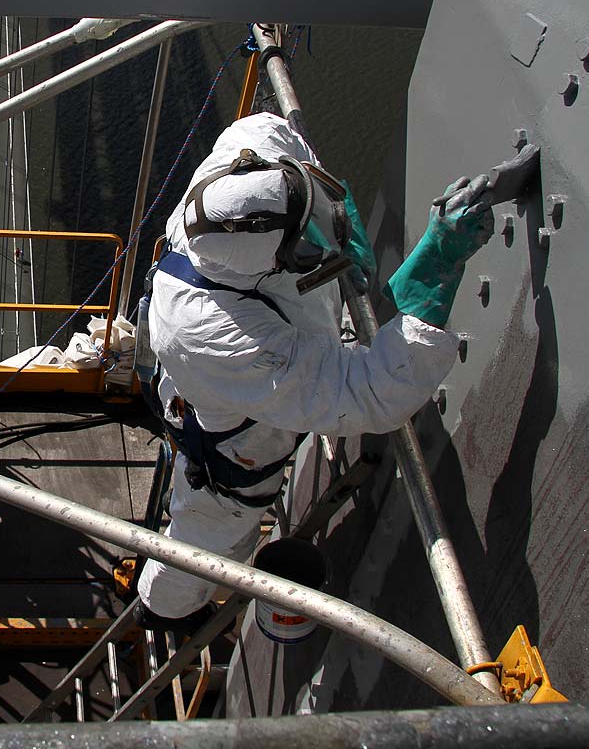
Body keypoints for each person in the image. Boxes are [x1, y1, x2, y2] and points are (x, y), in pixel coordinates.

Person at [136, 112, 493, 627]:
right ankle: (163, 610)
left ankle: (174, 604)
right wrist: (434, 278)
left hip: (233, 380)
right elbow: (370, 394)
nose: (319, 245)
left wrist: (335, 208)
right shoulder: (214, 337)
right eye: (305, 250)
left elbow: (275, 126)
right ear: (268, 266)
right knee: (212, 536)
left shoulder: (243, 156)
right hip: (235, 445)